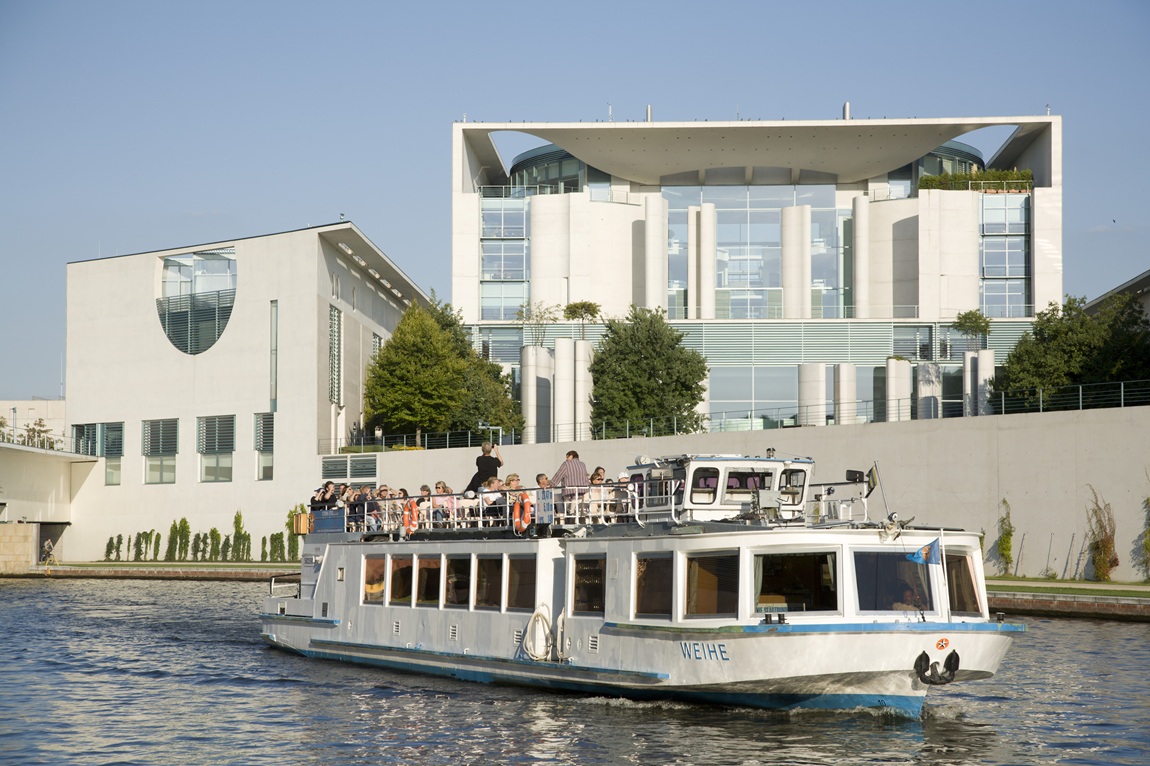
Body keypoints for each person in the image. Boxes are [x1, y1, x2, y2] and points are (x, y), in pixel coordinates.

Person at [551, 450, 590, 523]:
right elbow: (586, 478)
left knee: (569, 511)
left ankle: (570, 524)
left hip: (569, 494)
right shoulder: (582, 464)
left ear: (571, 456)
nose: (566, 459)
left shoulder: (566, 464)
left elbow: (558, 475)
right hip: (582, 494)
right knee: (579, 511)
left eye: (567, 456)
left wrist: (551, 485)